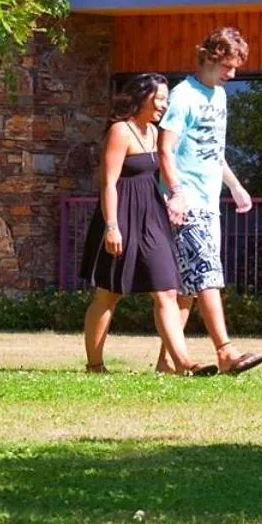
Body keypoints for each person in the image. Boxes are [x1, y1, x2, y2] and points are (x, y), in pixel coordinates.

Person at [80, 73, 214, 376]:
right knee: (108, 293)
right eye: (159, 99)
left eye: (166, 99)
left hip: (152, 216)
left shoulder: (154, 132)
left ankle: (181, 362)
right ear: (142, 97)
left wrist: (173, 199)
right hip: (121, 215)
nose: (164, 105)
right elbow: (108, 184)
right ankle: (95, 364)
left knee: (167, 289)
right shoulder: (120, 131)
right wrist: (112, 226)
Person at [157, 27, 262, 376]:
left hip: (209, 201)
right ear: (208, 57)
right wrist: (176, 193)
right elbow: (165, 149)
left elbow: (213, 152)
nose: (232, 75)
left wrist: (235, 187)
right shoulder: (182, 96)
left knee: (188, 287)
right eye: (228, 67)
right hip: (185, 201)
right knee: (206, 274)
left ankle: (168, 364)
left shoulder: (218, 96)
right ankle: (226, 351)